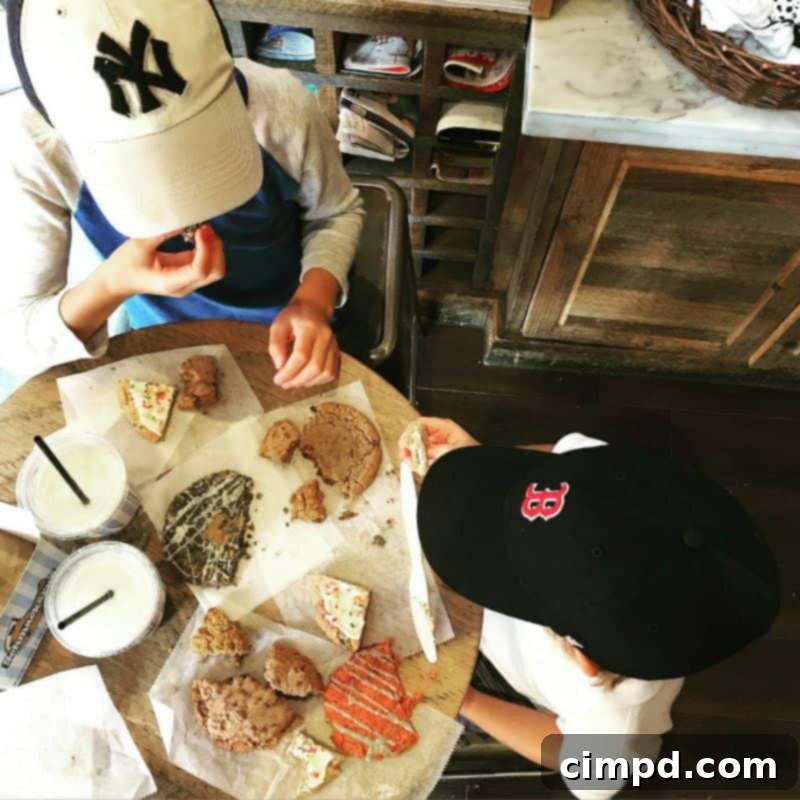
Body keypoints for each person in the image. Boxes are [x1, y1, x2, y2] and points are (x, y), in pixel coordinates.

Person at [409, 418, 779, 798]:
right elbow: (563, 457)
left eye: (513, 568)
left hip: (505, 680)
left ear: (584, 660)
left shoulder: (616, 722)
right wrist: (489, 464)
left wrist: (466, 699)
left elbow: (578, 762)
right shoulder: (610, 480)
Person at [1, 0, 363, 389]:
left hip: (287, 328)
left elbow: (336, 212)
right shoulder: (36, 151)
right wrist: (113, 284)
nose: (181, 199)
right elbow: (17, 343)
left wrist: (312, 301)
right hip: (157, 345)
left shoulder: (278, 106)